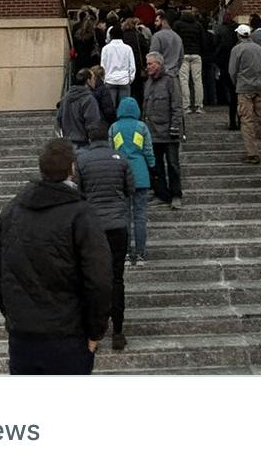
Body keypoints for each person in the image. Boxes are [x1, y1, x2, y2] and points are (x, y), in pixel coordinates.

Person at [0, 138, 112, 374]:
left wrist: (14, 316)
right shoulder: (81, 214)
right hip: (68, 336)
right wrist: (96, 330)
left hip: (23, 336)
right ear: (72, 169)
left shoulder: (11, 211)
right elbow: (99, 278)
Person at [76, 123, 135, 350]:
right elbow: (130, 188)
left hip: (93, 229)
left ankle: (95, 333)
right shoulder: (120, 157)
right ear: (108, 137)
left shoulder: (81, 160)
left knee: (92, 280)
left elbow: (78, 191)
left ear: (89, 138)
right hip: (118, 226)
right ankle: (118, 332)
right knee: (116, 279)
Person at [109, 96, 157, 266]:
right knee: (140, 215)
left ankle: (127, 254)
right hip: (141, 174)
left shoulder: (114, 128)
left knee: (125, 216)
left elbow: (111, 150)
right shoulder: (141, 127)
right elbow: (148, 150)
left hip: (121, 174)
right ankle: (141, 253)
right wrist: (152, 166)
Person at [141, 51, 184, 209]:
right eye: (147, 64)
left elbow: (177, 106)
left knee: (173, 165)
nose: (148, 67)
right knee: (155, 165)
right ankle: (161, 194)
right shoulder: (148, 82)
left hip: (168, 132)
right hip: (152, 132)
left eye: (151, 64)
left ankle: (176, 195)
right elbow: (145, 108)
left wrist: (175, 127)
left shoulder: (170, 81)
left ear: (159, 64)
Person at [229, 24, 261, 164]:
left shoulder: (237, 49)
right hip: (260, 86)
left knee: (247, 120)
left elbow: (232, 70)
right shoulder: (259, 49)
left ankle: (252, 153)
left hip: (244, 87)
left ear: (239, 35)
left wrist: (237, 83)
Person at [173, 5, 207, 113]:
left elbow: (175, 40)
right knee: (197, 80)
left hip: (183, 54)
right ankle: (199, 106)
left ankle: (186, 106)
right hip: (196, 54)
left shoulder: (178, 24)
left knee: (184, 80)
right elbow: (203, 40)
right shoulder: (198, 25)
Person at [59, 68, 102, 147]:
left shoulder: (66, 98)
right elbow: (93, 123)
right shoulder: (89, 99)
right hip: (83, 144)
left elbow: (59, 119)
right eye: (93, 78)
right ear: (88, 81)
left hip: (67, 143)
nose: (95, 81)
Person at [99, 26, 135, 109]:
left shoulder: (105, 49)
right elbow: (132, 66)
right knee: (125, 108)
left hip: (110, 80)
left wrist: (104, 79)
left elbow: (103, 65)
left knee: (111, 107)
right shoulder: (128, 48)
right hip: (124, 80)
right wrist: (130, 79)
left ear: (110, 36)